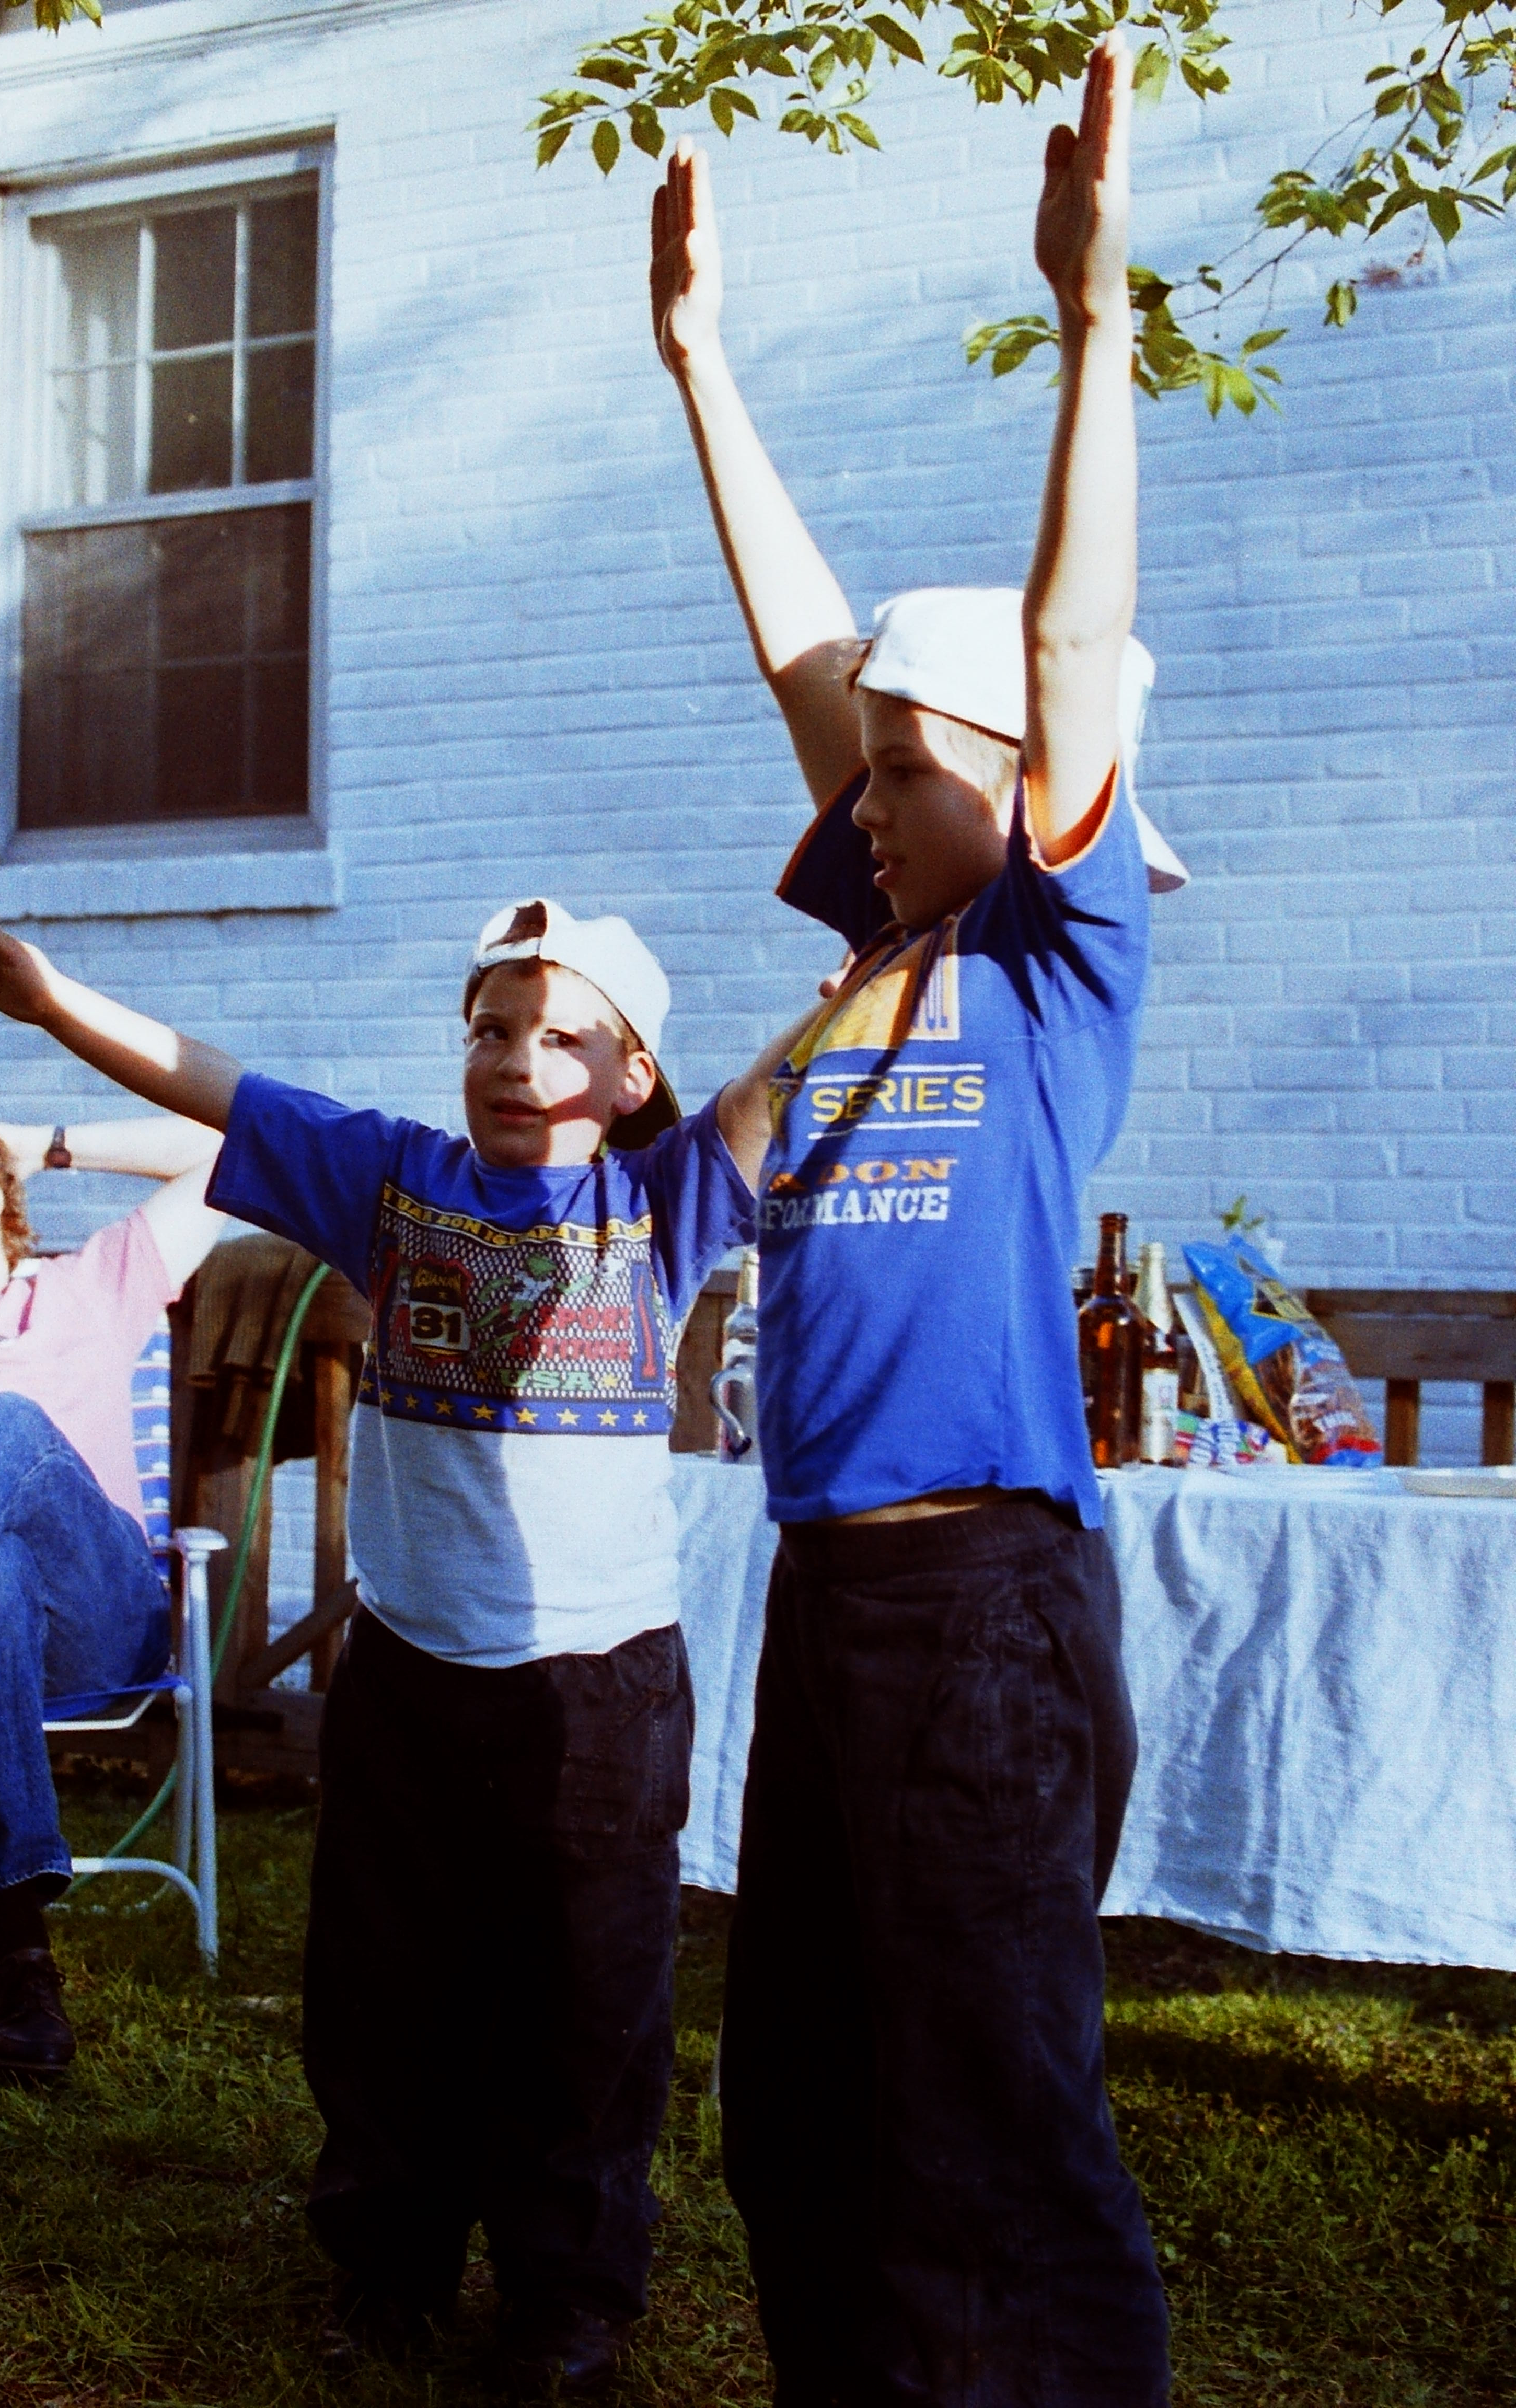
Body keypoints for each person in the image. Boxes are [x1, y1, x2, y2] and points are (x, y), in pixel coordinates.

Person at [0, 889, 812, 2393]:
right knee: (388, 1987)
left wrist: (892, 960)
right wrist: (52, 999)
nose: (517, 1060)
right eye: (491, 1030)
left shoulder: (661, 1205)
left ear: (633, 1076)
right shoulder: (390, 1183)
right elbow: (211, 1083)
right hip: (408, 1671)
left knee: (589, 2000)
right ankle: (388, 2264)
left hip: (603, 1686)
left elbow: (776, 1088)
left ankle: (568, 2297)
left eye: (564, 1039)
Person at [651, 32, 1176, 2407]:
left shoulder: (1053, 959)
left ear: (1026, 786)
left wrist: (1093, 323)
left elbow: (1059, 651)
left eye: (898, 768)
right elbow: (805, 648)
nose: (857, 798)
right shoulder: (880, 939)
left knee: (988, 2129)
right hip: (836, 1595)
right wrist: (699, 365)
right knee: (807, 2112)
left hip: (983, 1605)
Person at [0, 1107, 224, 2075]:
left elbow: (225, 1149)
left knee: (3, 1421)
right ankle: (18, 1967)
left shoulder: (92, 1286)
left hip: (97, 1625)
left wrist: (42, 1144)